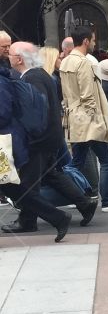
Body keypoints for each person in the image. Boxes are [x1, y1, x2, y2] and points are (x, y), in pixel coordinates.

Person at [1, 42, 96, 236]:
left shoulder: (32, 77)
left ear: (19, 59)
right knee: (50, 174)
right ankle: (84, 203)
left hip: (39, 140)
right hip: (48, 137)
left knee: (27, 185)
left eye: (9, 53)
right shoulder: (38, 74)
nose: (7, 56)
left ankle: (31, 221)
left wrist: (29, 137)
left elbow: (35, 113)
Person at [60, 25, 108, 213]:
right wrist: (96, 120)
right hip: (88, 119)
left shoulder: (65, 61)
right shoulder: (84, 63)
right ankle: (107, 201)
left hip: (74, 116)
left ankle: (69, 195)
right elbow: (88, 95)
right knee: (107, 161)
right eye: (92, 40)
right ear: (85, 41)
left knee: (77, 162)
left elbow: (67, 94)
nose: (94, 43)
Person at [0, 60, 71, 242]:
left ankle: (58, 217)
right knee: (14, 189)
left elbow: (4, 113)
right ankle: (58, 217)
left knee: (14, 188)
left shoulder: (2, 82)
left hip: (5, 143)